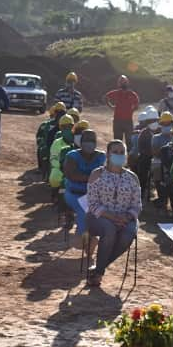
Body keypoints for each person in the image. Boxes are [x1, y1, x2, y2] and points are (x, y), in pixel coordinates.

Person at [86, 140, 141, 286]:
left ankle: (98, 270)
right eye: (115, 152)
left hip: (126, 218)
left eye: (122, 152)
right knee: (109, 230)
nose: (119, 155)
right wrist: (112, 216)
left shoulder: (132, 178)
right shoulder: (97, 174)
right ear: (108, 155)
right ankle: (98, 272)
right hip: (99, 217)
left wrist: (127, 216)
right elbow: (92, 203)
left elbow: (137, 205)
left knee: (128, 234)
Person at [63, 129, 106, 247]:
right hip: (74, 194)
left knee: (104, 212)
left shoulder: (102, 156)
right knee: (84, 211)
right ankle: (85, 240)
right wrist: (93, 178)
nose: (89, 143)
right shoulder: (72, 156)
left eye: (92, 140)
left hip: (94, 195)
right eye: (86, 140)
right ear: (81, 142)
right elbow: (72, 175)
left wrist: (88, 178)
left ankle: (92, 239)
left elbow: (107, 175)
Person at [105, 75, 140, 149]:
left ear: (127, 83)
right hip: (118, 121)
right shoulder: (116, 93)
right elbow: (106, 97)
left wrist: (131, 111)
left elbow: (137, 105)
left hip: (127, 121)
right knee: (117, 142)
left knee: (129, 143)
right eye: (122, 82)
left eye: (124, 82)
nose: (123, 84)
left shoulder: (132, 94)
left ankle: (130, 159)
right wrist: (111, 106)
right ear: (119, 84)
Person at [137, 107, 159, 200]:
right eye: (151, 121)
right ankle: (141, 192)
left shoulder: (160, 131)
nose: (153, 122)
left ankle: (160, 196)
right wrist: (150, 153)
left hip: (158, 158)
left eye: (155, 120)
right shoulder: (143, 133)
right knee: (142, 169)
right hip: (146, 157)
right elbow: (140, 148)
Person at [49, 114, 75, 190]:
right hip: (60, 168)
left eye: (69, 126)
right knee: (54, 176)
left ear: (73, 127)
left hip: (75, 168)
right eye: (64, 126)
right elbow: (53, 158)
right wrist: (60, 165)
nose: (67, 128)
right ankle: (55, 193)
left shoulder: (77, 140)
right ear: (60, 127)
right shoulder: (57, 143)